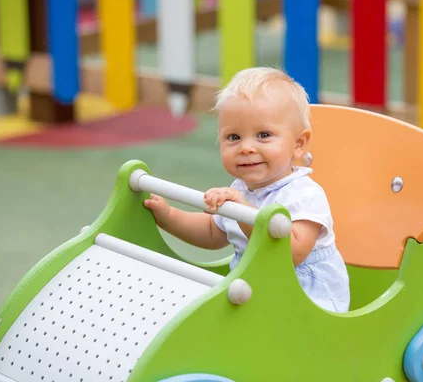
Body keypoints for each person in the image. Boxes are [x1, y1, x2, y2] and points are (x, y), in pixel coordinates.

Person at [144, 67, 350, 313]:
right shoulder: (241, 189)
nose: (246, 147)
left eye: (263, 135)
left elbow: (291, 255)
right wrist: (169, 217)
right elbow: (212, 232)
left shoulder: (303, 194)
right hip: (257, 293)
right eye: (233, 137)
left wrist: (244, 211)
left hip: (308, 302)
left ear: (298, 144)